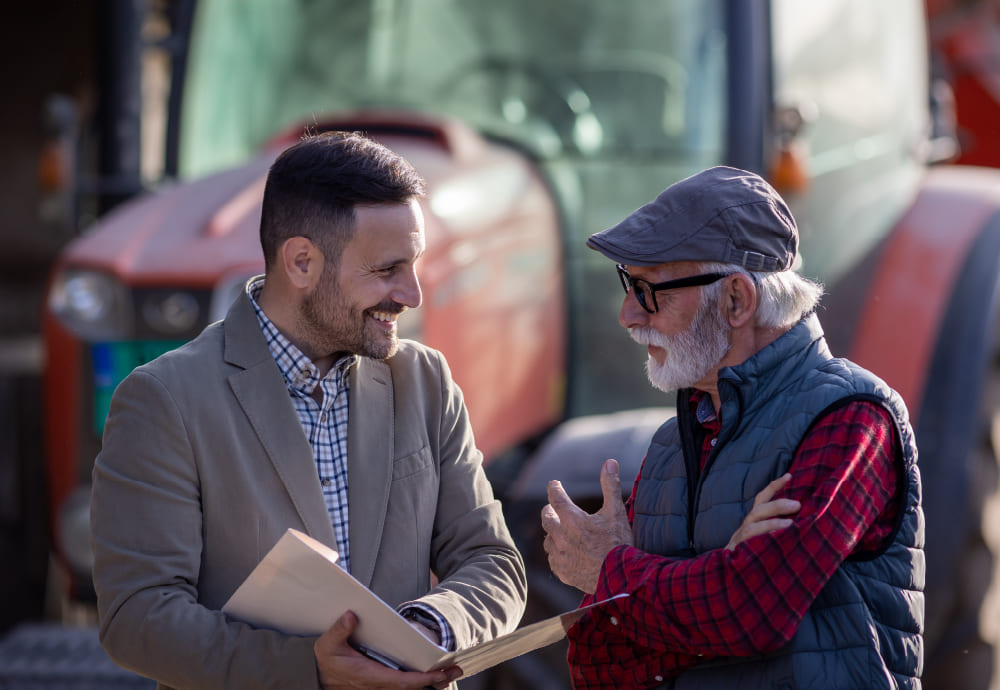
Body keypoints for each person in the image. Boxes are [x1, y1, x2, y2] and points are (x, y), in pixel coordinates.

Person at [90, 131, 527, 690]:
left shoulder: (426, 381)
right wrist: (312, 671)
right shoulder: (164, 401)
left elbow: (493, 561)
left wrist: (428, 628)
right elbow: (137, 620)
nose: (413, 293)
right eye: (388, 269)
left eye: (413, 265)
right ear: (301, 262)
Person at [540, 166, 923, 689]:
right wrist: (714, 573)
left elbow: (749, 611)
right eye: (627, 285)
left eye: (650, 291)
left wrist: (611, 573)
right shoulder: (674, 443)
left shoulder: (852, 418)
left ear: (736, 300)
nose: (629, 314)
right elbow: (600, 656)